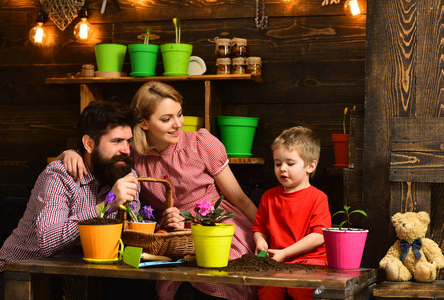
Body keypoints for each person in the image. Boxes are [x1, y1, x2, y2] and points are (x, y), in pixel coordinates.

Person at [57, 81, 258, 300]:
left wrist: (268, 235)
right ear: (143, 122)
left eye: (179, 114)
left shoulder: (200, 143)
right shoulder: (131, 152)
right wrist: (67, 153)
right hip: (170, 235)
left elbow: (239, 198)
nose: (178, 124)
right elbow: (92, 153)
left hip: (215, 228)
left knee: (216, 283)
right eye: (166, 119)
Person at [0, 100, 141, 274]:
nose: (126, 150)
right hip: (18, 274)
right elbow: (47, 243)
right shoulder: (60, 174)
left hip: (74, 275)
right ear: (89, 143)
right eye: (117, 141)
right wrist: (105, 207)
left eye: (128, 141)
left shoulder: (125, 175)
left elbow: (132, 237)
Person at [252, 126, 331, 300]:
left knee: (301, 288)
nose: (282, 169)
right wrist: (261, 244)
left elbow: (319, 236)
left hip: (309, 261)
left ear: (310, 166)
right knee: (266, 289)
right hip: (275, 259)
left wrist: (286, 253)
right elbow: (260, 229)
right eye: (278, 163)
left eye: (290, 163)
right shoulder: (268, 197)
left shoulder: (318, 198)